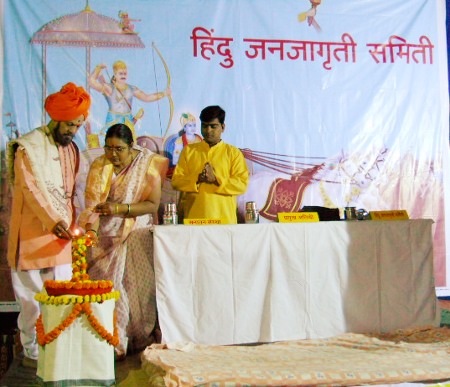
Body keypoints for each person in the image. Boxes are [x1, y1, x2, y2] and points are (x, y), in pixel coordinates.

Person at [6, 82, 91, 368]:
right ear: (55, 118)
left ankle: (58, 351)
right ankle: (32, 353)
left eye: (77, 126)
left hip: (61, 237)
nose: (73, 131)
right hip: (31, 238)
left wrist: (73, 222)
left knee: (63, 297)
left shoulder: (71, 150)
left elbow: (69, 193)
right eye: (69, 125)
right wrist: (53, 221)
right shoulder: (29, 148)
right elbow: (31, 190)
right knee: (32, 302)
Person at [78, 123, 168, 359]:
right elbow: (93, 207)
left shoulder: (147, 165)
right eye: (108, 148)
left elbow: (152, 204)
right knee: (108, 287)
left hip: (136, 233)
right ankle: (110, 342)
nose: (112, 154)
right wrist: (92, 232)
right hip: (105, 235)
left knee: (135, 288)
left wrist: (119, 208)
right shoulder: (100, 165)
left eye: (119, 149)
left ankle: (136, 339)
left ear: (131, 146)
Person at [171, 105, 249, 224]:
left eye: (213, 126)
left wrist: (216, 180)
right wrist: (197, 179)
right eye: (205, 125)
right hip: (194, 221)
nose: (208, 130)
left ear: (222, 127)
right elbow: (176, 181)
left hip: (224, 221)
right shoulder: (189, 151)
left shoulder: (233, 153)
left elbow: (242, 184)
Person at [88, 60, 171, 138]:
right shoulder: (109, 88)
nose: (123, 75)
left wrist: (164, 93)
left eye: (125, 73)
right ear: (115, 74)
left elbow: (147, 97)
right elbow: (91, 82)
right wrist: (98, 68)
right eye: (120, 73)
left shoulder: (131, 89)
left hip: (127, 121)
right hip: (113, 120)